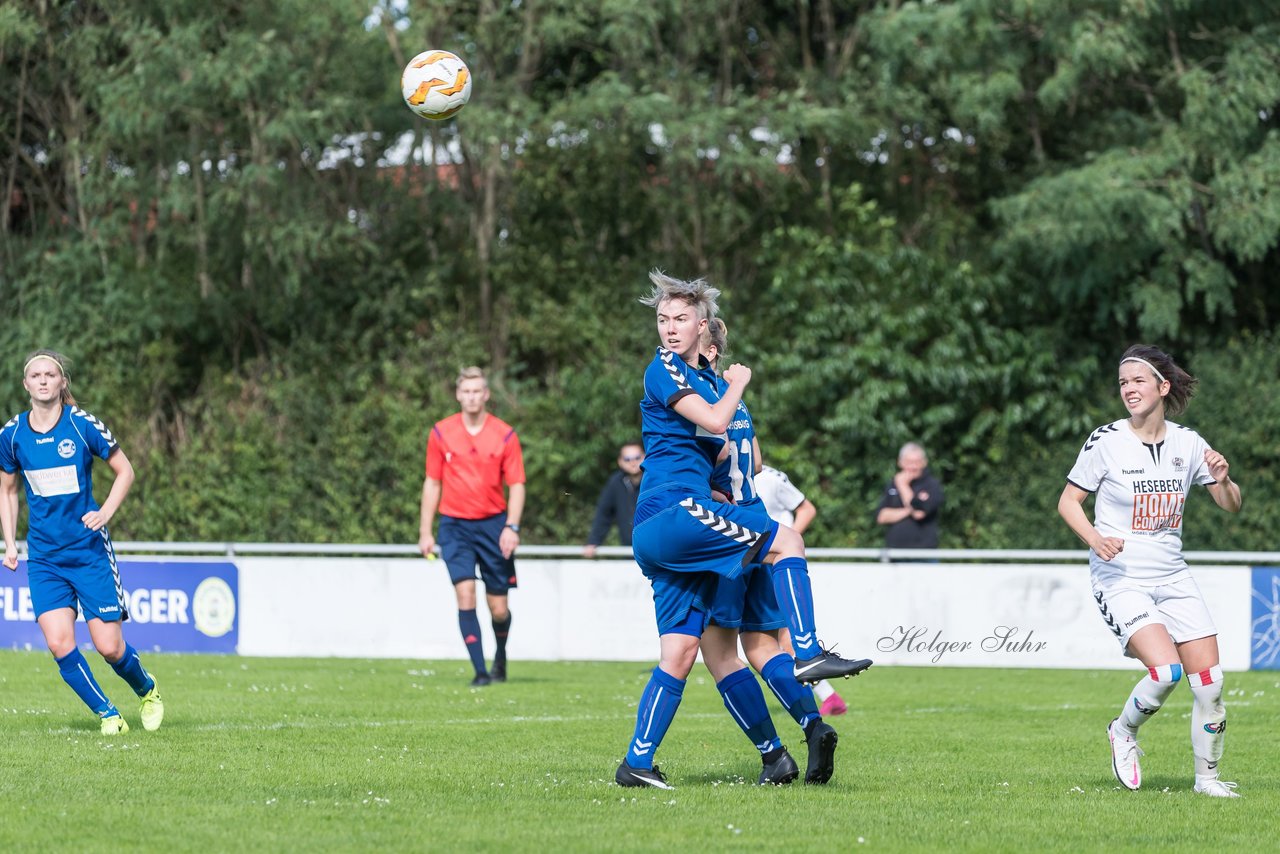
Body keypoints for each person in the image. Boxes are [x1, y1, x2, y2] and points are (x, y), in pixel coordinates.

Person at [615, 271, 870, 790]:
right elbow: (715, 427)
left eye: (680, 320)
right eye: (663, 319)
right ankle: (807, 652)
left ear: (704, 330)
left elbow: (723, 457)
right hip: (675, 515)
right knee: (787, 544)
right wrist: (737, 385)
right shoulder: (673, 373)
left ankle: (638, 763)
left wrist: (722, 482)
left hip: (670, 528)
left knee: (685, 652)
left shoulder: (703, 385)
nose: (670, 329)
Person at [1057, 344, 1243, 798]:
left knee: (1211, 684)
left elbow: (1231, 505)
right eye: (1123, 383)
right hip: (1121, 577)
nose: (1128, 390)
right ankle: (1123, 731)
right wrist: (1096, 539)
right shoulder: (1106, 440)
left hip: (1173, 575)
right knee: (1165, 672)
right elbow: (1068, 503)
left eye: (1137, 380)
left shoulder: (1189, 442)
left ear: (1162, 387)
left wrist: (1222, 478)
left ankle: (1207, 781)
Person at [697, 319, 852, 786]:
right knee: (763, 646)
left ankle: (774, 756)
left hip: (725, 532)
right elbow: (757, 462)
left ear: (703, 350)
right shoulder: (735, 399)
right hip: (759, 524)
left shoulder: (701, 401)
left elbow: (697, 463)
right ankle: (814, 724)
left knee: (720, 654)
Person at [0, 349, 164, 736]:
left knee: (109, 647)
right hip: (43, 558)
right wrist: (9, 543)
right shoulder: (12, 434)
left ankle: (147, 689)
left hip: (88, 551)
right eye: (35, 375)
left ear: (61, 383)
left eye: (50, 374)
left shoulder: (81, 425)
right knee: (59, 643)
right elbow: (7, 490)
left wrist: (105, 512)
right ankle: (109, 715)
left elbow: (125, 471)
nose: (43, 380)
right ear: (26, 385)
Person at [419, 366, 525, 687]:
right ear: (458, 394)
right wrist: (425, 531)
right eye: (466, 391)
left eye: (477, 391)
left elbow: (517, 484)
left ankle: (500, 659)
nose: (472, 396)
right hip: (455, 526)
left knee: (499, 608)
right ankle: (480, 672)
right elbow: (432, 482)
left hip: (494, 526)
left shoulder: (505, 434)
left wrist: (512, 527)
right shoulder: (441, 433)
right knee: (465, 595)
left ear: (486, 395)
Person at [755, 464, 847, 717]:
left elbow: (806, 508)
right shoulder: (723, 473)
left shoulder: (769, 477)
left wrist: (785, 546)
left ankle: (826, 699)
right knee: (772, 640)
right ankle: (826, 698)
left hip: (771, 563)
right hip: (752, 562)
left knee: (779, 639)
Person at [875, 442, 944, 554]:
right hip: (894, 553)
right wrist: (910, 509)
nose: (912, 467)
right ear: (900, 462)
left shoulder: (932, 485)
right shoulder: (892, 484)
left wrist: (903, 485)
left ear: (924, 463)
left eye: (916, 462)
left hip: (923, 555)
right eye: (908, 462)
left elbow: (918, 514)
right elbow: (882, 517)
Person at [583, 442, 644, 558]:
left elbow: (681, 501)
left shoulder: (657, 480)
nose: (633, 462)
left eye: (637, 457)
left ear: (645, 456)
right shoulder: (615, 482)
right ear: (620, 462)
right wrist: (593, 541)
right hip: (629, 553)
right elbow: (603, 514)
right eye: (627, 459)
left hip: (659, 552)